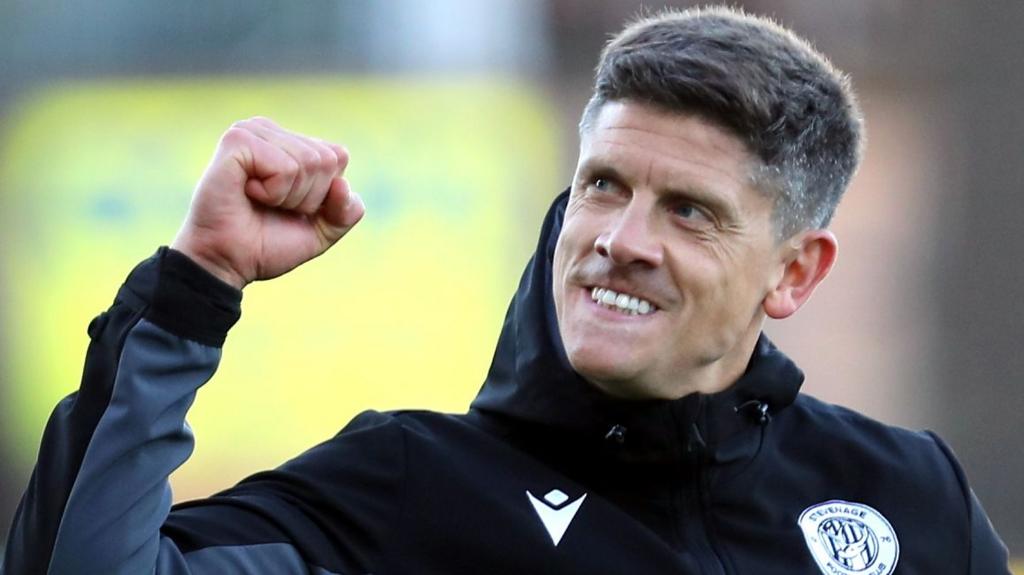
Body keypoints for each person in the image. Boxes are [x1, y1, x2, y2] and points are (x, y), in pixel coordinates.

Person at [2, 6, 1010, 574]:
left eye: (688, 211)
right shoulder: (409, 486)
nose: (619, 240)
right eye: (603, 185)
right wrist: (195, 284)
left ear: (793, 272)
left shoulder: (904, 491)